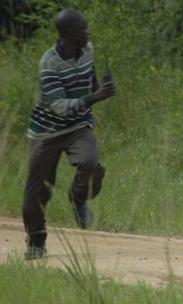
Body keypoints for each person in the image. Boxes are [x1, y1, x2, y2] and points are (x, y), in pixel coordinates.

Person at [22, 8, 116, 260]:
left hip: (78, 126)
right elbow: (59, 106)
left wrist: (101, 88)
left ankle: (78, 199)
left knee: (89, 162)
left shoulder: (88, 50)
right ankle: (36, 241)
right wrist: (94, 97)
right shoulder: (49, 64)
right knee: (37, 192)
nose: (88, 32)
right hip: (46, 131)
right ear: (70, 34)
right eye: (83, 29)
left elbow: (89, 81)